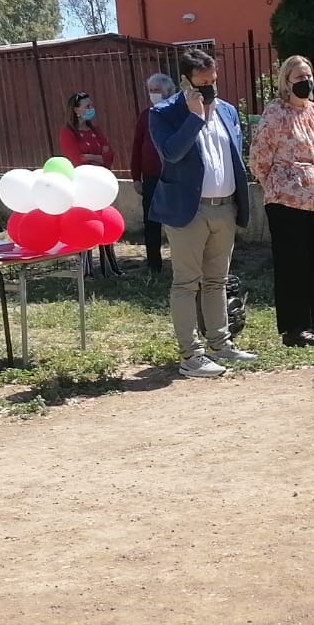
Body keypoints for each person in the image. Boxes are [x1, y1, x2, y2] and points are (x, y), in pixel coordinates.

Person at [149, 47, 257, 378]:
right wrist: (195, 117)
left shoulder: (226, 111)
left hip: (224, 207)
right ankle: (190, 356)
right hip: (188, 213)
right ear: (185, 82)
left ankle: (220, 344)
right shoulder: (164, 114)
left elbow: (234, 157)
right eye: (203, 83)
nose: (211, 88)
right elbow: (170, 153)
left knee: (217, 281)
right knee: (186, 283)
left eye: (214, 81)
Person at [250, 55, 314, 346]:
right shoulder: (275, 113)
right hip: (285, 199)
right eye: (298, 78)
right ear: (286, 82)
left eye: (308, 76)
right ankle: (294, 326)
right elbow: (260, 157)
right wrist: (279, 184)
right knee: (292, 263)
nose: (305, 82)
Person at [59, 91, 122, 277]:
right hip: (83, 185)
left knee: (105, 222)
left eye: (91, 106)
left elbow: (109, 154)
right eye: (87, 106)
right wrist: (96, 157)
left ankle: (109, 266)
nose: (91, 109)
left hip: (102, 183)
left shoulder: (95, 131)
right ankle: (87, 269)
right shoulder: (68, 133)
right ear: (76, 110)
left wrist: (93, 157)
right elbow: (75, 159)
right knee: (85, 223)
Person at [130, 73, 174, 278]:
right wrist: (136, 177)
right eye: (151, 91)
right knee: (151, 221)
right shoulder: (146, 115)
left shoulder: (176, 112)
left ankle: (180, 261)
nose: (153, 94)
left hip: (174, 177)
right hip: (151, 177)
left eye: (157, 90)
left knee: (178, 221)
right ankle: (153, 263)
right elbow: (137, 146)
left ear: (168, 91)